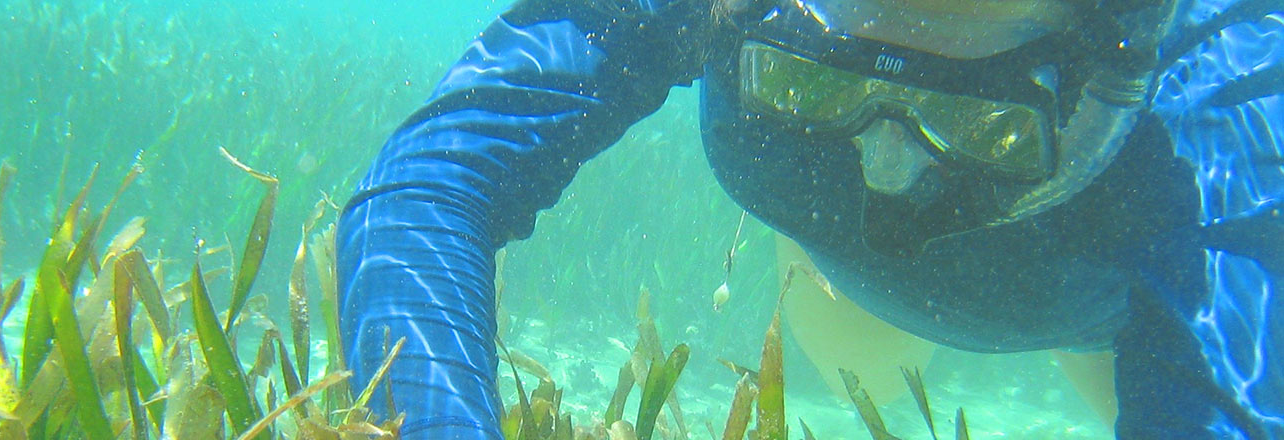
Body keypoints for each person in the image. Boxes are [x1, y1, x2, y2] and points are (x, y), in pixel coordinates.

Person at [336, 0, 1284, 437]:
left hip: (1095, 289)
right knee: (849, 368)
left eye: (979, 120)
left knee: (1130, 373)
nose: (886, 169)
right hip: (835, 274)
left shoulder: (1226, 84)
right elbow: (432, 180)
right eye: (808, 81)